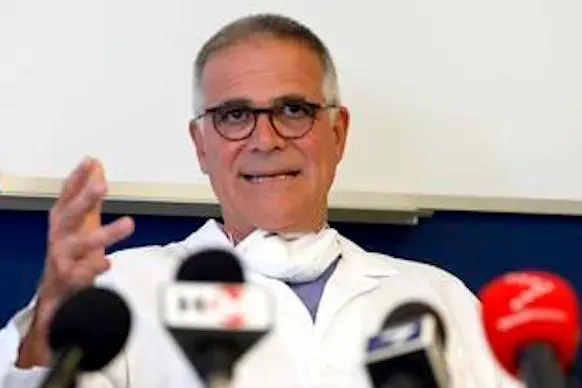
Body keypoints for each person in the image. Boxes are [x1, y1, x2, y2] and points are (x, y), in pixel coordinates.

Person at [0, 13, 521, 388]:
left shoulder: (438, 300)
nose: (265, 140)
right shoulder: (115, 295)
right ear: (200, 146)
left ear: (338, 133)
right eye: (233, 115)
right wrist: (52, 319)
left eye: (293, 109)